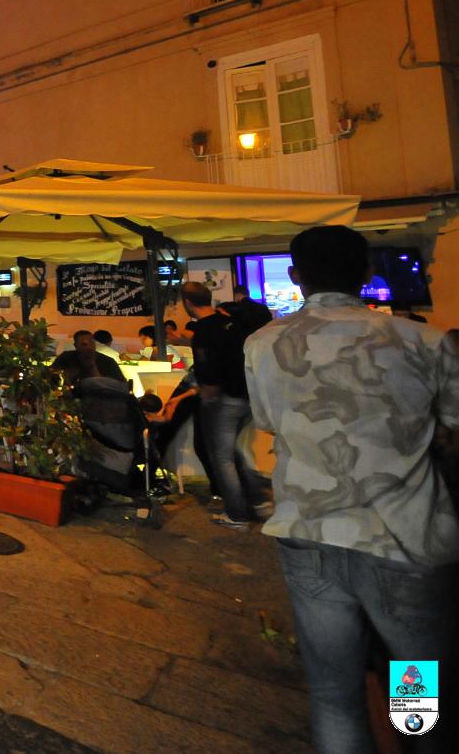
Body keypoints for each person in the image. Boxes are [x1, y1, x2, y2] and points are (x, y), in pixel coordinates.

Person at [246, 225, 459, 754]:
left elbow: (268, 421)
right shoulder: (425, 341)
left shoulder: (264, 344)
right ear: (367, 273)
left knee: (333, 693)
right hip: (404, 538)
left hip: (308, 532)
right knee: (418, 692)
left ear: (295, 278)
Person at [182, 280, 268, 529]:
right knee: (238, 452)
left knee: (222, 458)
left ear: (187, 303)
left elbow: (207, 367)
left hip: (223, 400)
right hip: (246, 395)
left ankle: (237, 515)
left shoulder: (204, 330)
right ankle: (259, 502)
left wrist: (207, 394)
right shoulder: (230, 322)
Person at [52, 331, 126, 385]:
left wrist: (93, 366)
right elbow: (51, 376)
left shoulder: (107, 361)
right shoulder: (66, 357)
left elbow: (121, 385)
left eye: (92, 343)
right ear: (75, 345)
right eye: (84, 344)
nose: (89, 347)